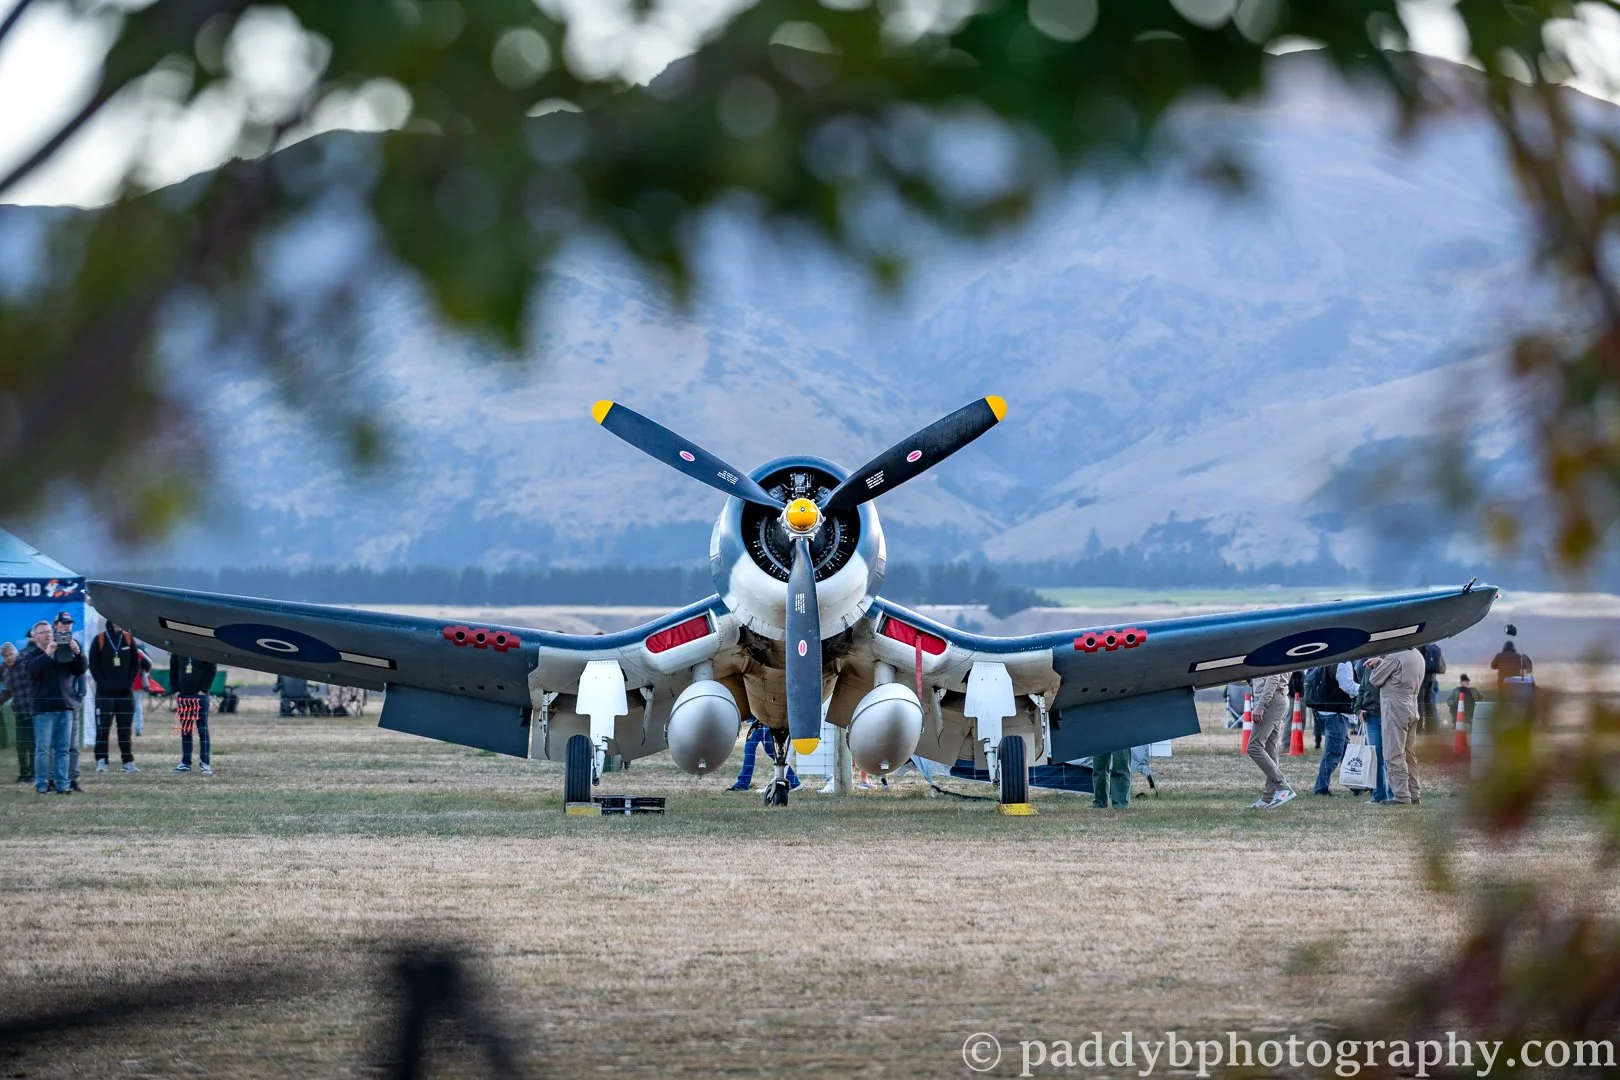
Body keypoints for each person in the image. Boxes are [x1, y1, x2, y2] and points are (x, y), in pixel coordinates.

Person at [21, 619, 87, 795]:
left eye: (49, 631)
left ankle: (62, 785)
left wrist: (77, 652)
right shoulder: (30, 654)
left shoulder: (63, 651)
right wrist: (47, 654)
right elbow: (31, 671)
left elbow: (79, 670)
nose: (48, 634)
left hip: (65, 706)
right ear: (35, 637)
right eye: (43, 632)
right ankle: (42, 784)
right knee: (43, 749)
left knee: (63, 749)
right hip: (43, 709)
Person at [1366, 647, 1425, 805]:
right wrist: (1382, 662)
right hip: (1412, 705)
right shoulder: (1417, 655)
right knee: (1409, 754)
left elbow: (1375, 679)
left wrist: (1380, 665)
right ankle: (1414, 794)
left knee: (1393, 753)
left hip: (1395, 708)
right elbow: (1398, 671)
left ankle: (1400, 795)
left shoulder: (1395, 656)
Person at [88, 618, 142, 772]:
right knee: (103, 728)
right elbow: (93, 664)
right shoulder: (100, 639)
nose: (119, 624)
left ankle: (127, 761)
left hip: (125, 694)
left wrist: (129, 681)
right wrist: (103, 683)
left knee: (125, 729)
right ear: (110, 623)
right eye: (115, 622)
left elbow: (135, 664)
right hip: (105, 694)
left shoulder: (128, 639)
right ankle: (101, 760)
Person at [1305, 661, 1359, 796]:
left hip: (1323, 710)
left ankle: (1357, 785)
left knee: (1345, 750)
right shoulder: (1343, 662)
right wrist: (1365, 688)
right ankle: (1321, 788)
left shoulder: (1329, 658)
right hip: (1335, 712)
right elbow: (1347, 686)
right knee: (1333, 753)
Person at [1245, 672, 1295, 808]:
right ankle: (1268, 798)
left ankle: (1283, 787)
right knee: (1270, 750)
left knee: (1254, 747)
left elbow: (1273, 677)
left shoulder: (1273, 654)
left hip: (1271, 701)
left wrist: (1261, 706)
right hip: (1277, 700)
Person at [170, 652, 218, 774]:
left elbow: (211, 669)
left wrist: (204, 690)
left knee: (203, 731)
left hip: (200, 696)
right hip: (183, 695)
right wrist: (175, 690)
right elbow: (173, 669)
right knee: (186, 730)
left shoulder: (204, 648)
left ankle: (205, 763)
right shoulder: (177, 648)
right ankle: (185, 763)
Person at [1352, 660, 1390, 802]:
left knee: (1391, 756)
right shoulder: (1366, 667)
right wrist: (1358, 709)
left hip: (1388, 716)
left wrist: (1381, 663)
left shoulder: (1389, 662)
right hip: (1371, 717)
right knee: (1376, 757)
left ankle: (1394, 794)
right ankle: (1379, 795)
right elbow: (1362, 689)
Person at [726, 719, 798, 791]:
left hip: (761, 718)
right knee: (771, 751)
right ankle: (794, 782)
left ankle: (742, 783)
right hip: (762, 717)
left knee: (750, 747)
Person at [1, 641, 31, 784]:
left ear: (16, 653)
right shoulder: (5, 671)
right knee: (21, 746)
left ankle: (34, 774)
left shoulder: (25, 663)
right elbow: (7, 692)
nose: (9, 658)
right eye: (5, 656)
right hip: (19, 712)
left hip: (32, 710)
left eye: (11, 654)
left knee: (33, 745)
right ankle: (23, 774)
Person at [1419, 641, 1446, 733]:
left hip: (1422, 678)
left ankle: (1418, 729)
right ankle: (1431, 729)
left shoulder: (1419, 646)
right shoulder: (1434, 647)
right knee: (1429, 704)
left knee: (1420, 704)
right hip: (1432, 678)